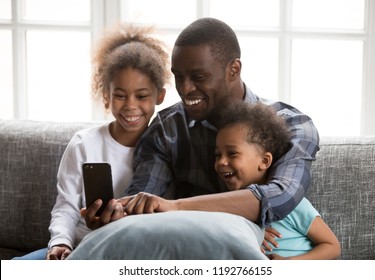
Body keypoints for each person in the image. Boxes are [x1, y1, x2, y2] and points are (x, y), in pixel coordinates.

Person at [70, 17, 320, 260]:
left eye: (199, 77)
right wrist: (115, 214)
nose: (185, 88)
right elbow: (143, 203)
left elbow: (279, 197)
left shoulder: (291, 126)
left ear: (233, 69)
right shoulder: (166, 129)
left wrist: (175, 206)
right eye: (178, 76)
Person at [13, 22, 169, 260]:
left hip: (126, 253)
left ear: (159, 96)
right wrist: (61, 243)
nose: (130, 105)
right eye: (119, 95)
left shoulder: (164, 151)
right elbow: (66, 206)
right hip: (79, 247)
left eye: (142, 96)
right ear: (106, 96)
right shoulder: (84, 143)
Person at [214, 101, 340, 260]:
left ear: (264, 161)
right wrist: (253, 231)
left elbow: (332, 247)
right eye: (217, 155)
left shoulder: (293, 204)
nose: (221, 162)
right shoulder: (228, 207)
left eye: (232, 153)